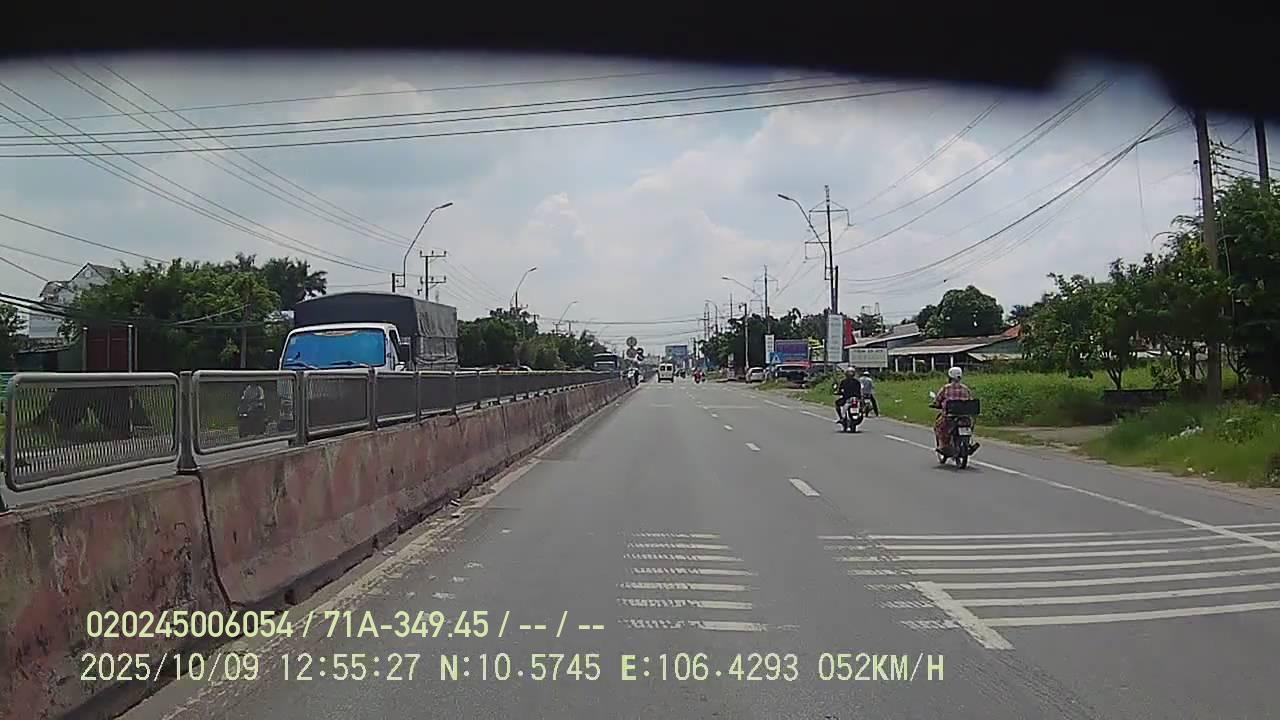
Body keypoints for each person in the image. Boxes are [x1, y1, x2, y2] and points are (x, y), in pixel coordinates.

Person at [930, 366, 980, 453]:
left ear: (950, 376)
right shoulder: (965, 389)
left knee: (939, 427)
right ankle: (969, 443)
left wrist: (935, 404)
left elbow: (938, 400)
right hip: (965, 416)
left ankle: (944, 445)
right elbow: (970, 400)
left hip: (949, 416)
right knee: (969, 426)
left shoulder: (946, 388)